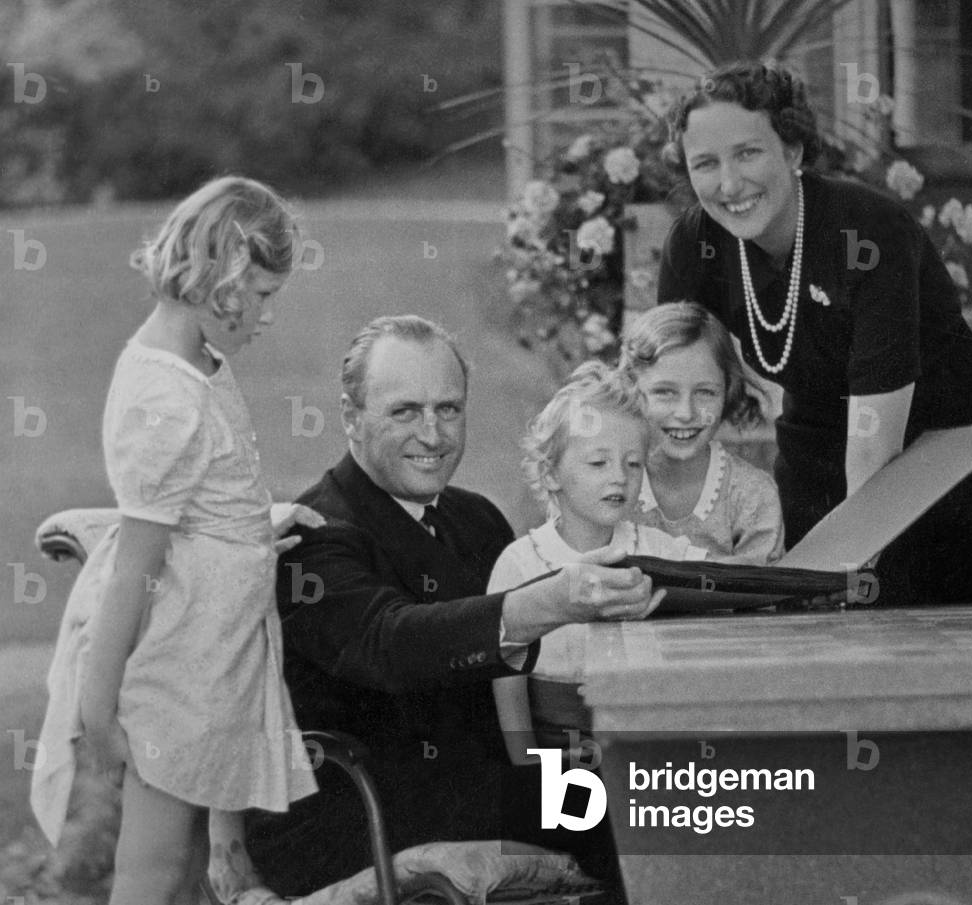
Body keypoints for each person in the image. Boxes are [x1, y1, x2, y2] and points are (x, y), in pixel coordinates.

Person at [245, 315, 661, 896]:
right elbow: (390, 644)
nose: (433, 435)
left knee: (674, 800)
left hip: (477, 783)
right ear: (350, 418)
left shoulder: (476, 518)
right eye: (405, 412)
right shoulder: (315, 534)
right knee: (637, 817)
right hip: (356, 811)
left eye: (448, 409)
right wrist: (546, 601)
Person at [30, 176, 322, 905]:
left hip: (215, 655)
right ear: (221, 280)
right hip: (177, 667)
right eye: (258, 295)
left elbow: (205, 505)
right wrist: (99, 708)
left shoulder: (198, 366)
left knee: (191, 867)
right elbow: (135, 565)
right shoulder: (163, 396)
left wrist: (257, 530)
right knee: (153, 873)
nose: (264, 315)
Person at [658, 60, 972, 605]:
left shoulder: (868, 232)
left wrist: (849, 570)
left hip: (932, 447)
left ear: (792, 151)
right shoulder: (695, 246)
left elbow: (873, 443)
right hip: (816, 431)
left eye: (748, 153)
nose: (729, 184)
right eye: (705, 163)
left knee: (905, 621)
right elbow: (663, 395)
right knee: (799, 607)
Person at [488, 361, 705, 765]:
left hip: (645, 745)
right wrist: (524, 757)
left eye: (633, 463)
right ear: (551, 473)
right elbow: (507, 673)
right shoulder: (521, 563)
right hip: (557, 749)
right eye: (598, 463)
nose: (620, 478)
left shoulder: (661, 551)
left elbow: (720, 583)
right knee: (572, 828)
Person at [619, 301, 784, 565]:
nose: (686, 413)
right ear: (630, 389)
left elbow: (764, 589)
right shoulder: (611, 481)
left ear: (728, 392)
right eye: (664, 392)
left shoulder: (752, 494)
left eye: (705, 392)